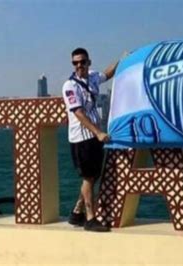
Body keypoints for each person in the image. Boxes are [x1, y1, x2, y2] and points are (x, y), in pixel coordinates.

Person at [62, 47, 120, 232]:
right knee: (88, 177)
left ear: (89, 62)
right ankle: (90, 218)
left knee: (92, 176)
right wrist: (98, 133)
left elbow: (107, 74)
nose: (79, 65)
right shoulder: (70, 86)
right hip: (82, 138)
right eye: (75, 63)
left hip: (95, 136)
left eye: (82, 62)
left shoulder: (93, 77)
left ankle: (76, 213)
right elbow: (78, 113)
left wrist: (122, 60)